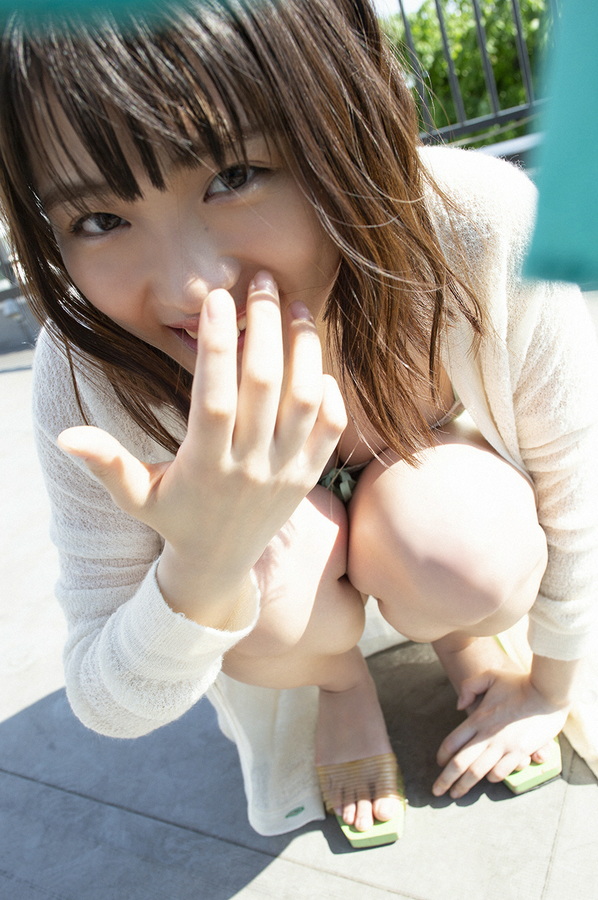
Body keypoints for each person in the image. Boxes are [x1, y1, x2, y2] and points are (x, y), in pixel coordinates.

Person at [0, 0, 596, 842]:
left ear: (344, 109)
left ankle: (459, 633)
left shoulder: (476, 225)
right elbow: (106, 697)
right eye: (100, 220)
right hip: (292, 603)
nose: (191, 287)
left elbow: (578, 488)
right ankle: (337, 679)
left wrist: (550, 691)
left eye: (236, 174)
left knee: (464, 554)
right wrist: (201, 565)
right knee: (268, 586)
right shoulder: (87, 370)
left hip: (435, 505)